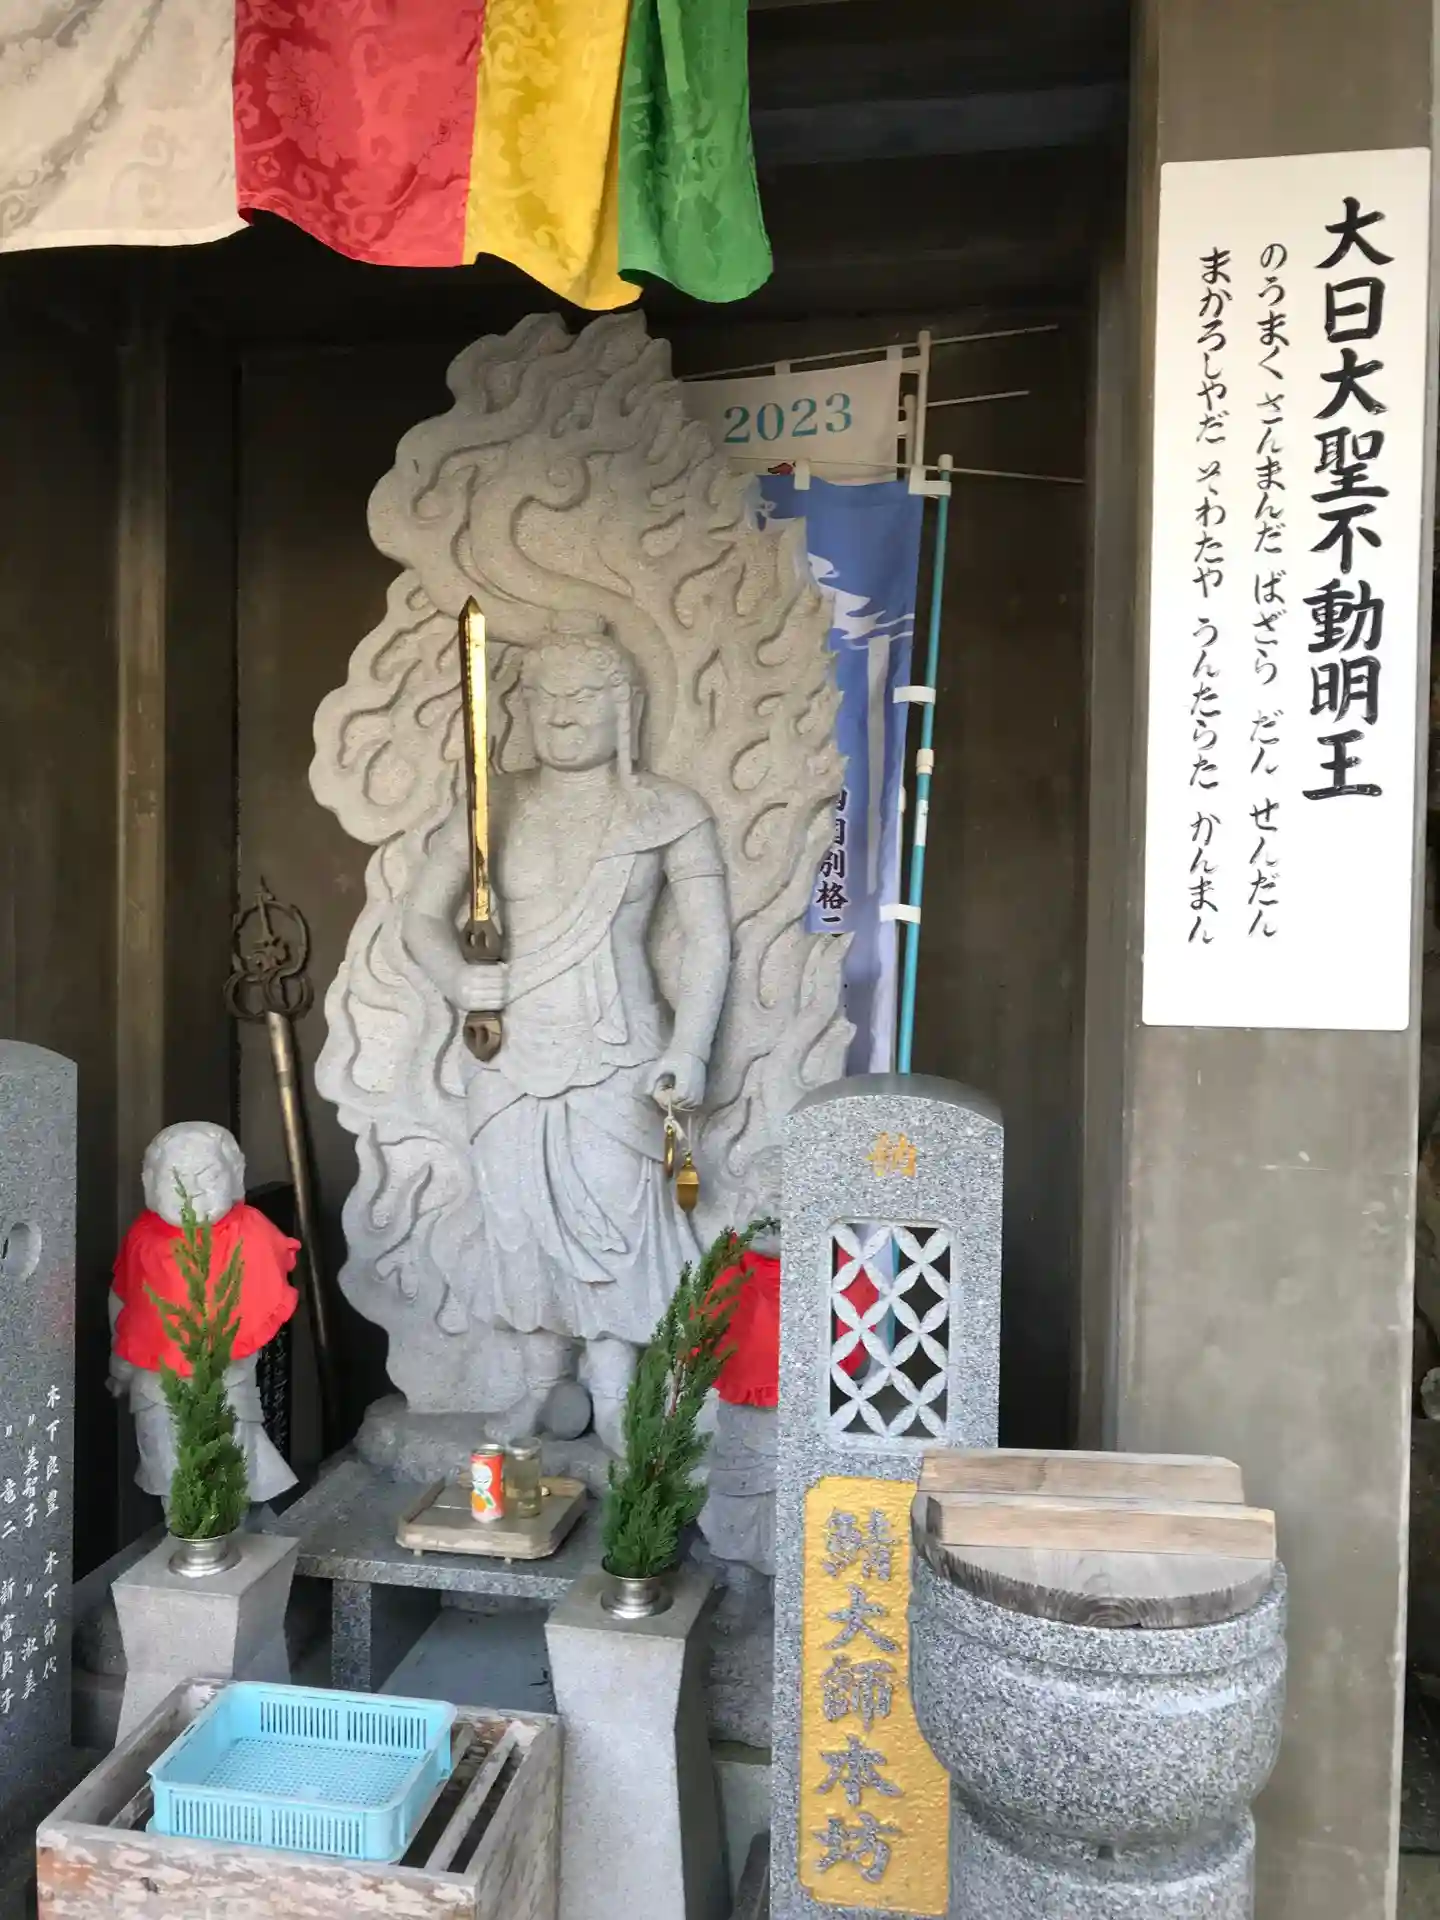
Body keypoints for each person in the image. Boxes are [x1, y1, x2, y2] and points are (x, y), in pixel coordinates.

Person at [110, 1122, 299, 1510]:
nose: (192, 1190)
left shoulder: (249, 1233)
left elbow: (257, 1306)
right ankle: (183, 1535)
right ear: (149, 1182)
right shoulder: (143, 1237)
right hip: (155, 1380)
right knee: (168, 1467)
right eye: (175, 1178)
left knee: (228, 1465)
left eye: (208, 1176)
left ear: (236, 1177)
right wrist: (121, 1362)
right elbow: (125, 1301)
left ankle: (226, 1535)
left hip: (223, 1376)